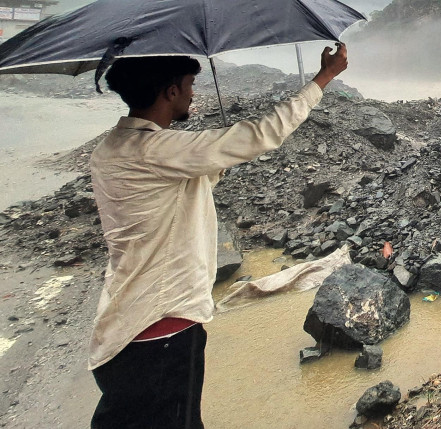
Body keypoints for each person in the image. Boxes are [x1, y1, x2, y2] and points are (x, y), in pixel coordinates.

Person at [87, 44, 349, 429]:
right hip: (162, 330)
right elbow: (263, 133)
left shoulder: (110, 150)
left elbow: (176, 188)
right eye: (190, 84)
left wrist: (218, 163)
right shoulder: (157, 150)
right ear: (170, 91)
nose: (194, 93)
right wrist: (324, 77)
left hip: (120, 328)